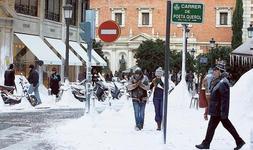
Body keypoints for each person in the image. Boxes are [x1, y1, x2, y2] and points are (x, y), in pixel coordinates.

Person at [195, 62, 245, 150]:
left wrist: (223, 113)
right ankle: (239, 141)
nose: (214, 72)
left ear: (220, 71)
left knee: (221, 126)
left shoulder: (223, 82)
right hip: (217, 110)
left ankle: (239, 141)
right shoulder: (219, 81)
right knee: (216, 126)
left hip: (219, 111)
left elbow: (225, 100)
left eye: (216, 70)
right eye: (214, 70)